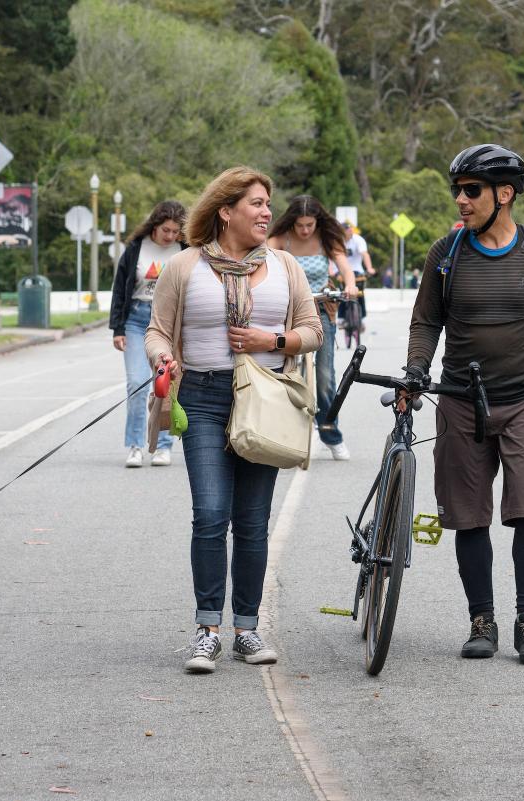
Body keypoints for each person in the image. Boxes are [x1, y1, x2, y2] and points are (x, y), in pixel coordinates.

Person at [404, 144, 524, 664]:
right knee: (468, 517)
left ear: (504, 194)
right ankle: (480, 619)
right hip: (461, 402)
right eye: (457, 191)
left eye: (472, 191)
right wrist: (417, 369)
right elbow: (426, 321)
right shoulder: (446, 253)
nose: (460, 201)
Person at [145, 167, 323, 674]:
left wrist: (274, 342)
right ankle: (206, 631)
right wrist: (163, 361)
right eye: (256, 204)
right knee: (210, 513)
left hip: (264, 399)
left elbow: (313, 330)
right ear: (226, 211)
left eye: (268, 204)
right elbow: (157, 332)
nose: (267, 212)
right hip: (201, 397)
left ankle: (246, 627)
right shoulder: (184, 267)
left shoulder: (286, 266)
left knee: (251, 522)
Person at [266, 195, 357, 460]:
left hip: (320, 310)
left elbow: (344, 266)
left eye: (310, 225)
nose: (305, 230)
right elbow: (261, 258)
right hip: (288, 313)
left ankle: (330, 432)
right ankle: (287, 434)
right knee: (282, 374)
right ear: (292, 223)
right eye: (300, 225)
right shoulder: (281, 239)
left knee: (325, 377)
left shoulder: (327, 240)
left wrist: (349, 285)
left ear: (317, 222)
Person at [109, 200, 188, 468]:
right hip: (136, 318)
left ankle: (163, 445)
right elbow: (120, 289)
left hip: (170, 321)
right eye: (166, 230)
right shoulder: (135, 249)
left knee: (164, 384)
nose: (170, 236)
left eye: (175, 232)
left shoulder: (184, 250)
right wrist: (117, 328)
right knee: (136, 383)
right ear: (155, 226)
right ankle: (135, 445)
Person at [342, 221, 376, 322]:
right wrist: (332, 271)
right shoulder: (338, 240)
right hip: (342, 270)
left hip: (356, 270)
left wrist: (369, 268)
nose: (350, 231)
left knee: (360, 294)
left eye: (350, 229)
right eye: (347, 229)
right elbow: (333, 258)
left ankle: (362, 317)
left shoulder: (358, 240)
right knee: (342, 294)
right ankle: (341, 317)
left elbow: (364, 254)